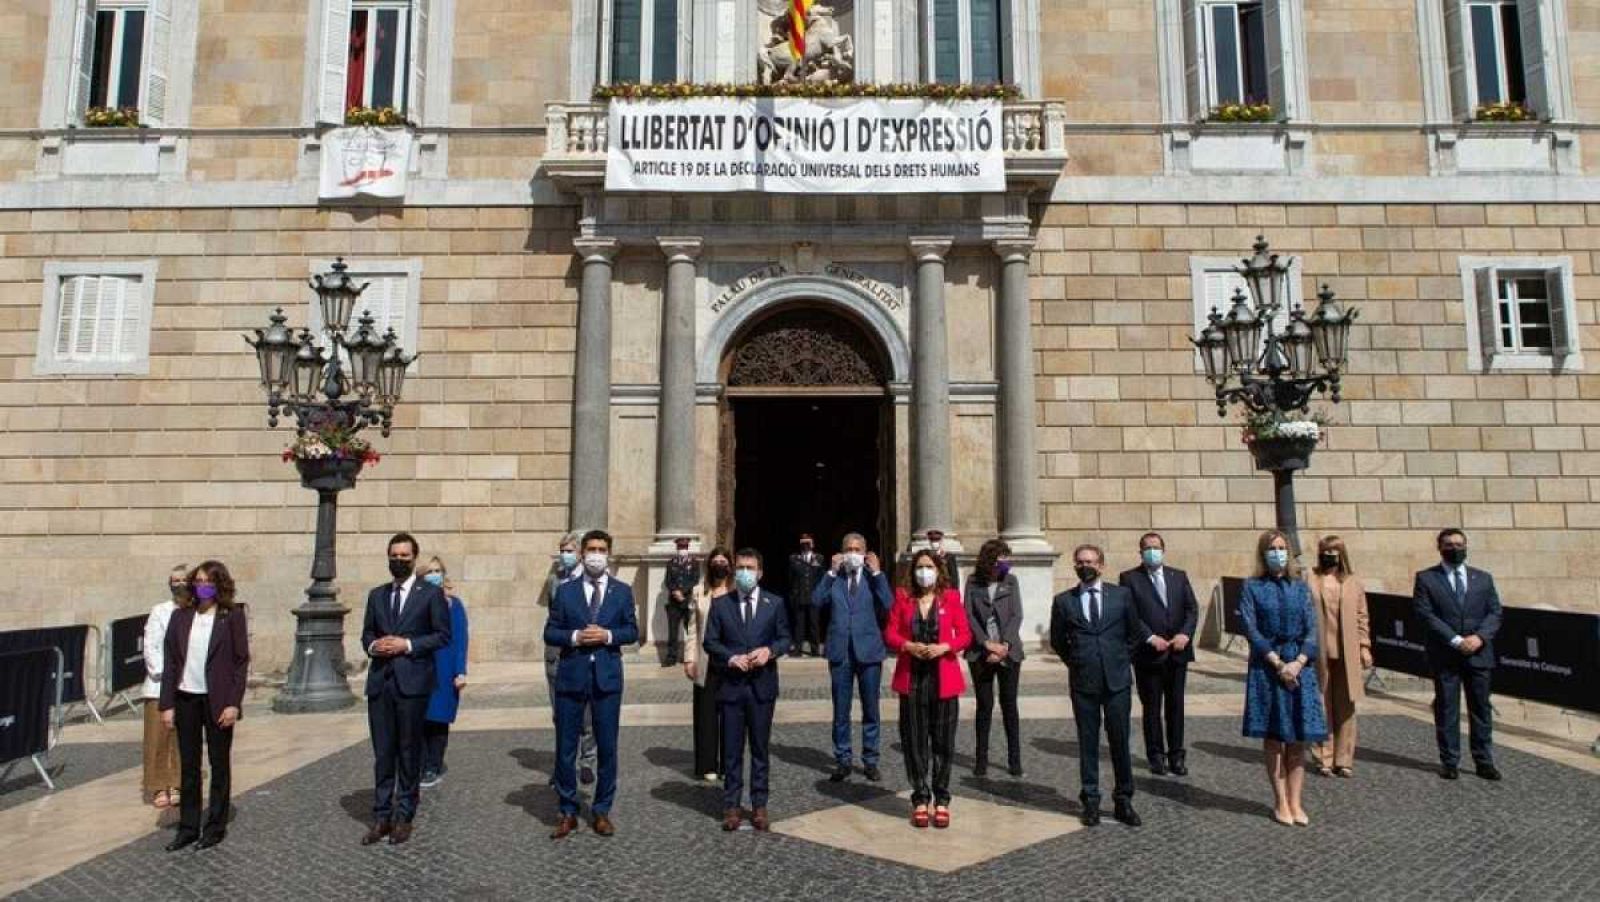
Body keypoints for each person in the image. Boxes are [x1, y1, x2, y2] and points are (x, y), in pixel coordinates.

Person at [545, 529, 639, 839]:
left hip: (607, 679)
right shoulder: (566, 591)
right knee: (565, 748)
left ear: (608, 553)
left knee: (608, 748)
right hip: (572, 677)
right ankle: (568, 810)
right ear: (583, 553)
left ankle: (601, 810)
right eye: (591, 549)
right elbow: (550, 632)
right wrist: (574, 637)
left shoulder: (622, 591)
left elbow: (631, 631)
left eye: (601, 549)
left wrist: (608, 635)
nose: (596, 554)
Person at [360, 533, 451, 846]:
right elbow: (366, 634)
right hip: (381, 682)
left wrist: (407, 644)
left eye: (403, 555)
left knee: (409, 751)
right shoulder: (377, 595)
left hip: (412, 683)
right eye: (393, 555)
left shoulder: (430, 595)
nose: (398, 560)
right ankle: (382, 815)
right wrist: (375, 646)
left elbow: (442, 636)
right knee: (383, 752)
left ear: (414, 558)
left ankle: (404, 815)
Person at [1050, 544, 1149, 827]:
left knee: (1120, 742)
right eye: (1080, 562)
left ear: (1102, 565)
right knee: (1088, 743)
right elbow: (1059, 641)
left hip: (1117, 680)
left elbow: (1135, 633)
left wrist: (1118, 658)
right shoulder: (1064, 601)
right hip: (1084, 681)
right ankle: (1090, 800)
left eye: (1090, 561)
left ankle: (1123, 799)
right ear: (1074, 565)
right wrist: (1079, 661)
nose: (1085, 566)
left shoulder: (1122, 596)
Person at [158, 560, 249, 851]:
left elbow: (240, 661)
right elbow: (171, 662)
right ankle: (188, 827)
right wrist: (167, 704)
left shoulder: (231, 616)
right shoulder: (181, 617)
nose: (202, 585)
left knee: (219, 764)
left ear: (220, 584)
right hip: (186, 697)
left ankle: (215, 826)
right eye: (197, 581)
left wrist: (234, 703)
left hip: (217, 699)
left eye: (208, 580)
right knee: (189, 766)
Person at [1239, 530, 1328, 827]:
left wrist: (1300, 662)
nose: (1277, 553)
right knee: (1275, 737)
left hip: (1300, 666)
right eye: (1272, 548)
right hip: (1268, 666)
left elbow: (1312, 628)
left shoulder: (1300, 587)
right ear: (1263, 553)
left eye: (1281, 548)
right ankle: (1279, 801)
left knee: (1298, 739)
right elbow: (1251, 629)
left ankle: (1296, 800)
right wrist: (1278, 664)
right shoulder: (1252, 587)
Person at [703, 548, 791, 831]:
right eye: (740, 567)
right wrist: (730, 657)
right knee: (731, 750)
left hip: (762, 687)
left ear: (760, 572)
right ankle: (731, 805)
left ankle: (759, 805)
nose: (744, 572)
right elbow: (710, 642)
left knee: (760, 749)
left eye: (749, 568)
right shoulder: (721, 604)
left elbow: (785, 638)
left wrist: (770, 651)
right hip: (731, 686)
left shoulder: (774, 603)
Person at [886, 549, 971, 828]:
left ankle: (942, 799)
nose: (924, 572)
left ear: (938, 570)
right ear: (913, 572)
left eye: (929, 566)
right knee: (914, 741)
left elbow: (965, 634)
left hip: (943, 678)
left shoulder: (951, 598)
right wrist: (907, 645)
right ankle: (920, 797)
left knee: (944, 743)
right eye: (920, 567)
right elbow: (890, 632)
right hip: (912, 679)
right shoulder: (903, 598)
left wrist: (945, 646)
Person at [1413, 528, 1503, 781]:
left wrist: (1479, 637)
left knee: (1481, 710)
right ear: (1439, 547)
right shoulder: (1426, 578)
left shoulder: (1483, 579)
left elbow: (1495, 612)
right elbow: (1425, 614)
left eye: (1459, 544)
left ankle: (1484, 761)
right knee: (1447, 709)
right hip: (1445, 654)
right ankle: (1449, 761)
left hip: (1479, 653)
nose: (1455, 548)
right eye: (1449, 544)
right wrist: (1454, 640)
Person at [811, 531, 893, 782]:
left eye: (858, 550)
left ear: (866, 553)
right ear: (841, 552)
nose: (853, 554)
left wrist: (878, 573)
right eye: (849, 549)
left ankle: (870, 760)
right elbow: (815, 601)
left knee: (871, 709)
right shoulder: (835, 579)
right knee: (841, 710)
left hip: (868, 651)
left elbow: (889, 605)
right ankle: (843, 759)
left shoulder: (872, 578)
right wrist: (830, 573)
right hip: (840, 652)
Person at [1119, 532, 1199, 777]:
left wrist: (1185, 634)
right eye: (1146, 548)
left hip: (1177, 652)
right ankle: (1156, 756)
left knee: (1176, 706)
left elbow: (1191, 609)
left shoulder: (1179, 576)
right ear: (1140, 552)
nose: (1151, 551)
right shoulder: (1130, 578)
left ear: (1163, 550)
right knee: (1152, 707)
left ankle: (1177, 755)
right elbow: (1130, 613)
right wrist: (1150, 637)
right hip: (1148, 654)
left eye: (1155, 547)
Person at [1309, 536, 1371, 778]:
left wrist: (1365, 646)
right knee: (1321, 704)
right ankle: (1323, 756)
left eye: (1334, 551)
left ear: (1342, 554)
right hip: (1319, 649)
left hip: (1348, 649)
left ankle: (1343, 759)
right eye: (1326, 550)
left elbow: (1361, 616)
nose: (1330, 555)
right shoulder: (1310, 579)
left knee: (1346, 705)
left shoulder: (1353, 581)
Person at [962, 539, 1024, 778]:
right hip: (981, 653)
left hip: (1009, 652)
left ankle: (1014, 760)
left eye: (1008, 558)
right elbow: (968, 614)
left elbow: (1017, 614)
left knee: (1010, 705)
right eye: (1002, 558)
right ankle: (981, 759)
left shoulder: (1011, 580)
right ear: (990, 560)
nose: (1007, 562)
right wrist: (986, 644)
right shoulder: (973, 582)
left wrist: (1005, 645)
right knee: (984, 706)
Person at [542, 533, 595, 787]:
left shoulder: (592, 580)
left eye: (569, 549)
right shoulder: (555, 580)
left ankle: (587, 760)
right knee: (560, 715)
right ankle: (564, 765)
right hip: (557, 653)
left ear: (581, 553)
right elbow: (552, 620)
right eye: (562, 549)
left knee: (587, 713)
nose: (565, 554)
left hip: (583, 654)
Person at [683, 547, 734, 782]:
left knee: (731, 714)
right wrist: (689, 658)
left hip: (732, 660)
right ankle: (707, 764)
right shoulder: (698, 592)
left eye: (724, 561)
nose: (720, 564)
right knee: (705, 714)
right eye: (716, 561)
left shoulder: (736, 592)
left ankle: (729, 763)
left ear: (730, 566)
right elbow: (692, 628)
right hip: (705, 660)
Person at [141, 564, 187, 810]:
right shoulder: (160, 611)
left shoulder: (196, 611)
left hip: (187, 685)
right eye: (174, 580)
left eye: (183, 580)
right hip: (160, 685)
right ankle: (158, 785)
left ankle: (178, 782)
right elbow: (152, 645)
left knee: (182, 738)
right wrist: (165, 675)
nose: (179, 584)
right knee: (157, 738)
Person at [421, 556, 469, 788]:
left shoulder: (453, 604)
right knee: (418, 719)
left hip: (445, 668)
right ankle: (418, 764)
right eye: (430, 571)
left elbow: (461, 639)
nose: (434, 574)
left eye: (438, 570)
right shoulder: (415, 601)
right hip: (419, 668)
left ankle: (433, 764)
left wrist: (460, 671)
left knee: (438, 719)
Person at [786, 534, 826, 656]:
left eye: (808, 543)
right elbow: (790, 579)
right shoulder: (794, 559)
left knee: (814, 624)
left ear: (813, 544)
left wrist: (820, 595)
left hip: (814, 596)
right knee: (799, 624)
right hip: (800, 596)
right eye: (803, 543)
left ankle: (815, 649)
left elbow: (822, 578)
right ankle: (797, 648)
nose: (806, 545)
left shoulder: (818, 558)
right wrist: (792, 596)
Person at [661, 537, 699, 666]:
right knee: (673, 632)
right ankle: (671, 658)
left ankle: (691, 656)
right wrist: (675, 591)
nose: (682, 550)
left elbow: (695, 580)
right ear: (677, 548)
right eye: (680, 547)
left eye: (684, 547)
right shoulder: (671, 563)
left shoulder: (694, 563)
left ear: (688, 548)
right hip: (673, 603)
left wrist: (683, 592)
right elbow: (668, 581)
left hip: (687, 601)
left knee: (690, 631)